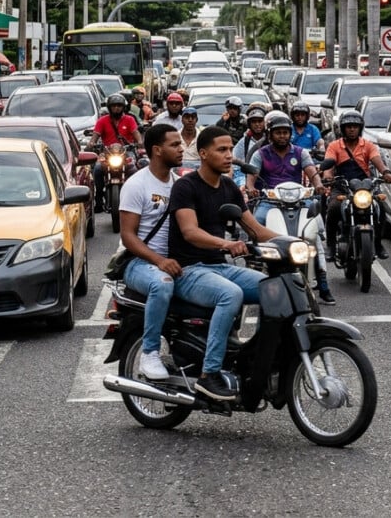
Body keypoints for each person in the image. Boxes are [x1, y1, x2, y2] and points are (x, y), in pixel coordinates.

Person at [168, 126, 278, 400]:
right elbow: (190, 232)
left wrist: (296, 242)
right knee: (231, 294)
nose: (230, 155)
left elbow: (257, 230)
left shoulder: (228, 186)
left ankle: (261, 359)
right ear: (203, 154)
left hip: (218, 267)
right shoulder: (186, 187)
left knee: (274, 287)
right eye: (222, 150)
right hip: (189, 270)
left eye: (231, 149)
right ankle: (209, 374)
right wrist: (226, 244)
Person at [118, 124, 184, 380]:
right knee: (162, 284)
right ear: (157, 150)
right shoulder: (137, 184)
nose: (181, 150)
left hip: (174, 261)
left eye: (181, 144)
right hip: (140, 264)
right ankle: (150, 353)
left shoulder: (179, 184)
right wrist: (159, 261)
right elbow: (128, 236)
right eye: (175, 145)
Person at [245, 111, 332, 304]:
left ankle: (323, 282)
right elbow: (251, 176)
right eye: (278, 132)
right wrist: (251, 189)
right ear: (270, 134)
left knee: (315, 230)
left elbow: (311, 172)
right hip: (271, 200)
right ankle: (256, 264)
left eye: (285, 132)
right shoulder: (261, 154)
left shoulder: (301, 152)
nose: (282, 136)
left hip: (300, 199)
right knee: (255, 222)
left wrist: (317, 184)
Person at [323, 110, 391, 260]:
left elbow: (378, 162)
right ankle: (330, 245)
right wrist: (328, 177)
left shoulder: (368, 145)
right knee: (333, 208)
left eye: (355, 126)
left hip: (365, 186)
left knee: (380, 208)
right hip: (342, 185)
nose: (351, 129)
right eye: (348, 126)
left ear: (360, 128)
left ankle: (377, 244)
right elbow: (329, 167)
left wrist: (386, 173)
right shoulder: (334, 146)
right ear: (342, 129)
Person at [90, 94, 142, 212]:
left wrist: (139, 142)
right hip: (107, 153)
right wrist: (92, 143)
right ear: (109, 107)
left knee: (134, 169)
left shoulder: (129, 119)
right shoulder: (102, 121)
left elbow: (136, 134)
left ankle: (136, 199)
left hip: (127, 152)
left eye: (119, 106)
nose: (117, 108)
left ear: (123, 107)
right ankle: (98, 200)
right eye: (114, 106)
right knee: (98, 169)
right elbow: (94, 137)